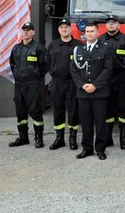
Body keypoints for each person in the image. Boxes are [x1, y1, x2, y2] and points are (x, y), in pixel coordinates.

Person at [70, 22, 113, 160]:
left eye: (92, 31)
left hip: (99, 92)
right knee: (86, 121)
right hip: (83, 92)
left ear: (98, 33)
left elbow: (108, 69)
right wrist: (82, 85)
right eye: (87, 31)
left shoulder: (105, 49)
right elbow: (73, 70)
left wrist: (95, 85)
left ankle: (100, 149)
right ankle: (87, 149)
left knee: (100, 122)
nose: (89, 34)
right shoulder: (79, 49)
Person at [8, 22, 49, 149]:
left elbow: (45, 66)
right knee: (21, 112)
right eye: (24, 30)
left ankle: (38, 138)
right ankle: (23, 137)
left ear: (33, 32)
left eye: (28, 29)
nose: (25, 32)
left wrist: (35, 76)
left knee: (35, 112)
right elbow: (12, 64)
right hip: (19, 85)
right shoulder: (16, 48)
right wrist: (18, 75)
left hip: (33, 85)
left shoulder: (39, 48)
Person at [46, 18, 82, 150]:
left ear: (71, 29)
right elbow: (47, 62)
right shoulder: (53, 45)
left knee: (73, 111)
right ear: (58, 29)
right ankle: (59, 138)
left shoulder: (78, 45)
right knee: (58, 110)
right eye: (61, 27)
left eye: (66, 27)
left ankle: (73, 139)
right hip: (57, 82)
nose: (64, 29)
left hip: (73, 83)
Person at [99, 14, 125, 150]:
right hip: (105, 79)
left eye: (113, 22)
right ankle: (108, 138)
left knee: (123, 107)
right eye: (108, 22)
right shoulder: (100, 40)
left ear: (119, 24)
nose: (111, 24)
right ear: (106, 25)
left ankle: (123, 138)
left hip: (121, 77)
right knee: (107, 108)